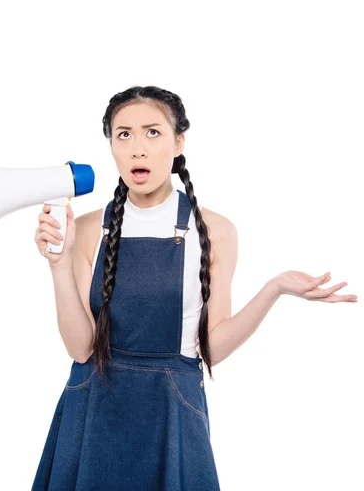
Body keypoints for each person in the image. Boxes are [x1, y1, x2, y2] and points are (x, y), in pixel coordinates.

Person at [31, 86, 356, 490]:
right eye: (124, 135)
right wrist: (59, 267)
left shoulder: (215, 231)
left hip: (172, 410)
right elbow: (81, 348)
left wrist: (274, 289)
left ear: (178, 141)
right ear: (111, 145)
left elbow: (213, 348)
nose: (138, 149)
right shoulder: (86, 229)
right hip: (92, 412)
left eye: (152, 132)